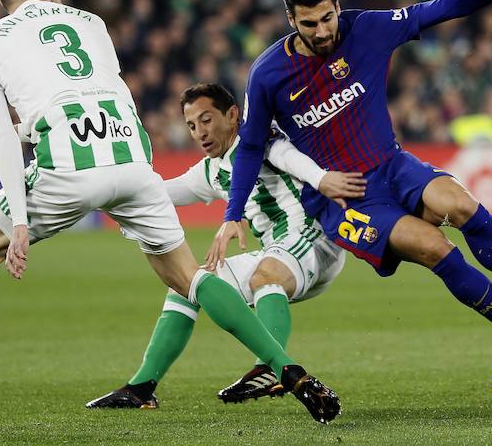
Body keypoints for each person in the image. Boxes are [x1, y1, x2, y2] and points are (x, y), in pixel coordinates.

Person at [0, 0, 340, 429]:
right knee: (192, 279)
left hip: (67, 165)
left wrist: (18, 221)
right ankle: (288, 370)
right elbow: (91, 95)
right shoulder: (91, 23)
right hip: (133, 162)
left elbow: (2, 132)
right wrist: (26, 132)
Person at [208, 0, 492, 363]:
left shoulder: (368, 29)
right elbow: (252, 146)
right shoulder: (268, 74)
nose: (323, 31)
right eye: (309, 24)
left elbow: (445, 6)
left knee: (461, 204)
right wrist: (233, 213)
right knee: (435, 247)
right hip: (344, 200)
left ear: (338, 5)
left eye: (327, 18)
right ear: (291, 19)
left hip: (392, 166)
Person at [82, 83, 357, 408]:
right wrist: (100, 190)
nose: (200, 132)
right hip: (278, 252)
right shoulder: (210, 171)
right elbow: (157, 194)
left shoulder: (261, 141)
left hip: (314, 239)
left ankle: (271, 368)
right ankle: (140, 388)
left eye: (207, 119)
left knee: (265, 275)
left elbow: (296, 157)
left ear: (232, 115)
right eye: (192, 125)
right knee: (188, 284)